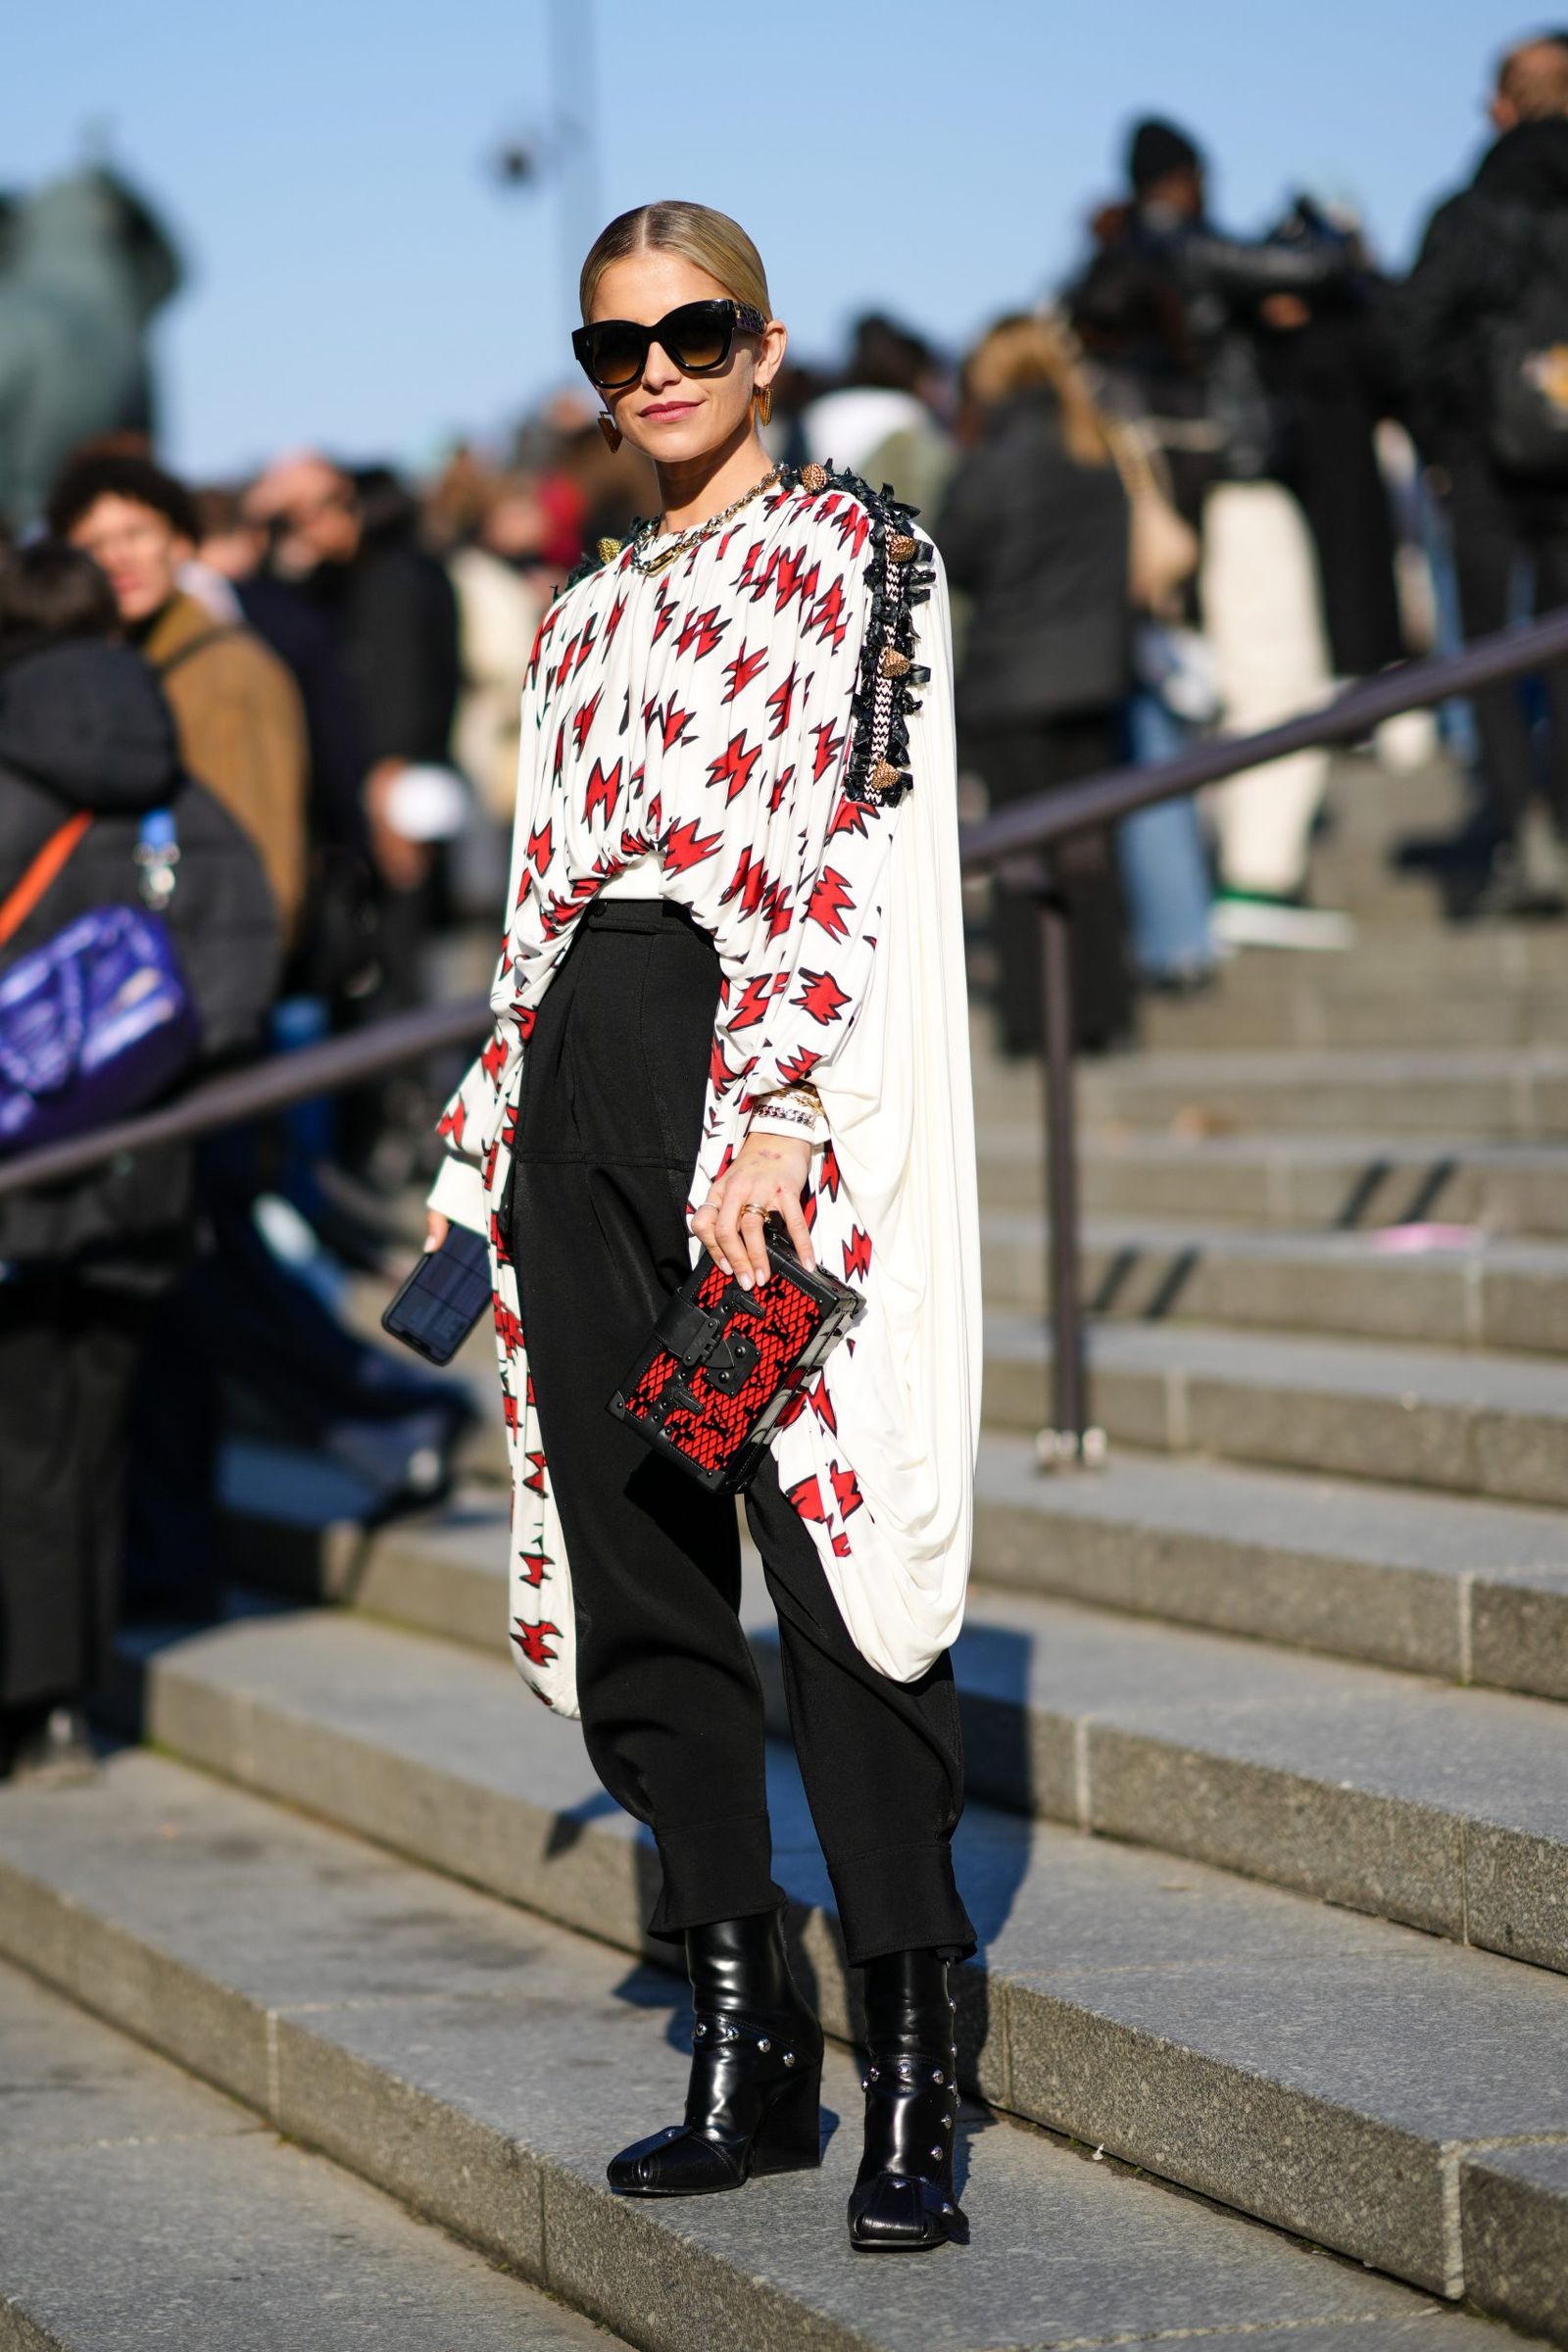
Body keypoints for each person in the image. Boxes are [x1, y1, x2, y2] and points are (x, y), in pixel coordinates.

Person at [426, 200, 981, 2253]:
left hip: (762, 1102)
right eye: (612, 346)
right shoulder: (581, 609)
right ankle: (741, 2032)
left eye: (692, 331)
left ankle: (915, 2059)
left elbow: (850, 839)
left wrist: (764, 1104)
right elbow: (539, 903)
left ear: (764, 344)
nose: (651, 370)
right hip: (583, 1078)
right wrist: (484, 1135)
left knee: (828, 1561)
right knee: (635, 1554)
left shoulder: (856, 551)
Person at [0, 541, 279, 1782]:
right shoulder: (171, 785)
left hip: (11, 1175)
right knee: (90, 1435)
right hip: (135, 1163)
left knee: (15, 1433)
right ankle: (66, 1696)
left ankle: (23, 1695)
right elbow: (237, 958)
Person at [1069, 119, 1357, 949]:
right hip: (1235, 481)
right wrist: (1327, 231)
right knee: (1282, 679)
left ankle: (1227, 869)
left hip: (1164, 497)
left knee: (1212, 682)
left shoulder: (1110, 260)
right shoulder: (1187, 246)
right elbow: (1309, 266)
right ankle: (1258, 873)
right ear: (1187, 176)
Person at [1398, 31, 1568, 911]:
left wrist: (1442, 446)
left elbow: (1413, 333)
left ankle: (1524, 825)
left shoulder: (1468, 213)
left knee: (1494, 654)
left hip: (1485, 463)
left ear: (1505, 106)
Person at [933, 313, 1136, 1052]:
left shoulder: (996, 458)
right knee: (1090, 854)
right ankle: (1103, 1012)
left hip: (1012, 684)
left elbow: (950, 551)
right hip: (1095, 677)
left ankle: (1035, 1020)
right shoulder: (1094, 443)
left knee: (1021, 860)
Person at [48, 452, 308, 935]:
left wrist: (233, 988)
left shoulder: (228, 671)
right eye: (93, 543)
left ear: (182, 543)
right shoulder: (107, 673)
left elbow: (264, 867)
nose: (116, 557)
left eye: (136, 534)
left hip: (222, 982)